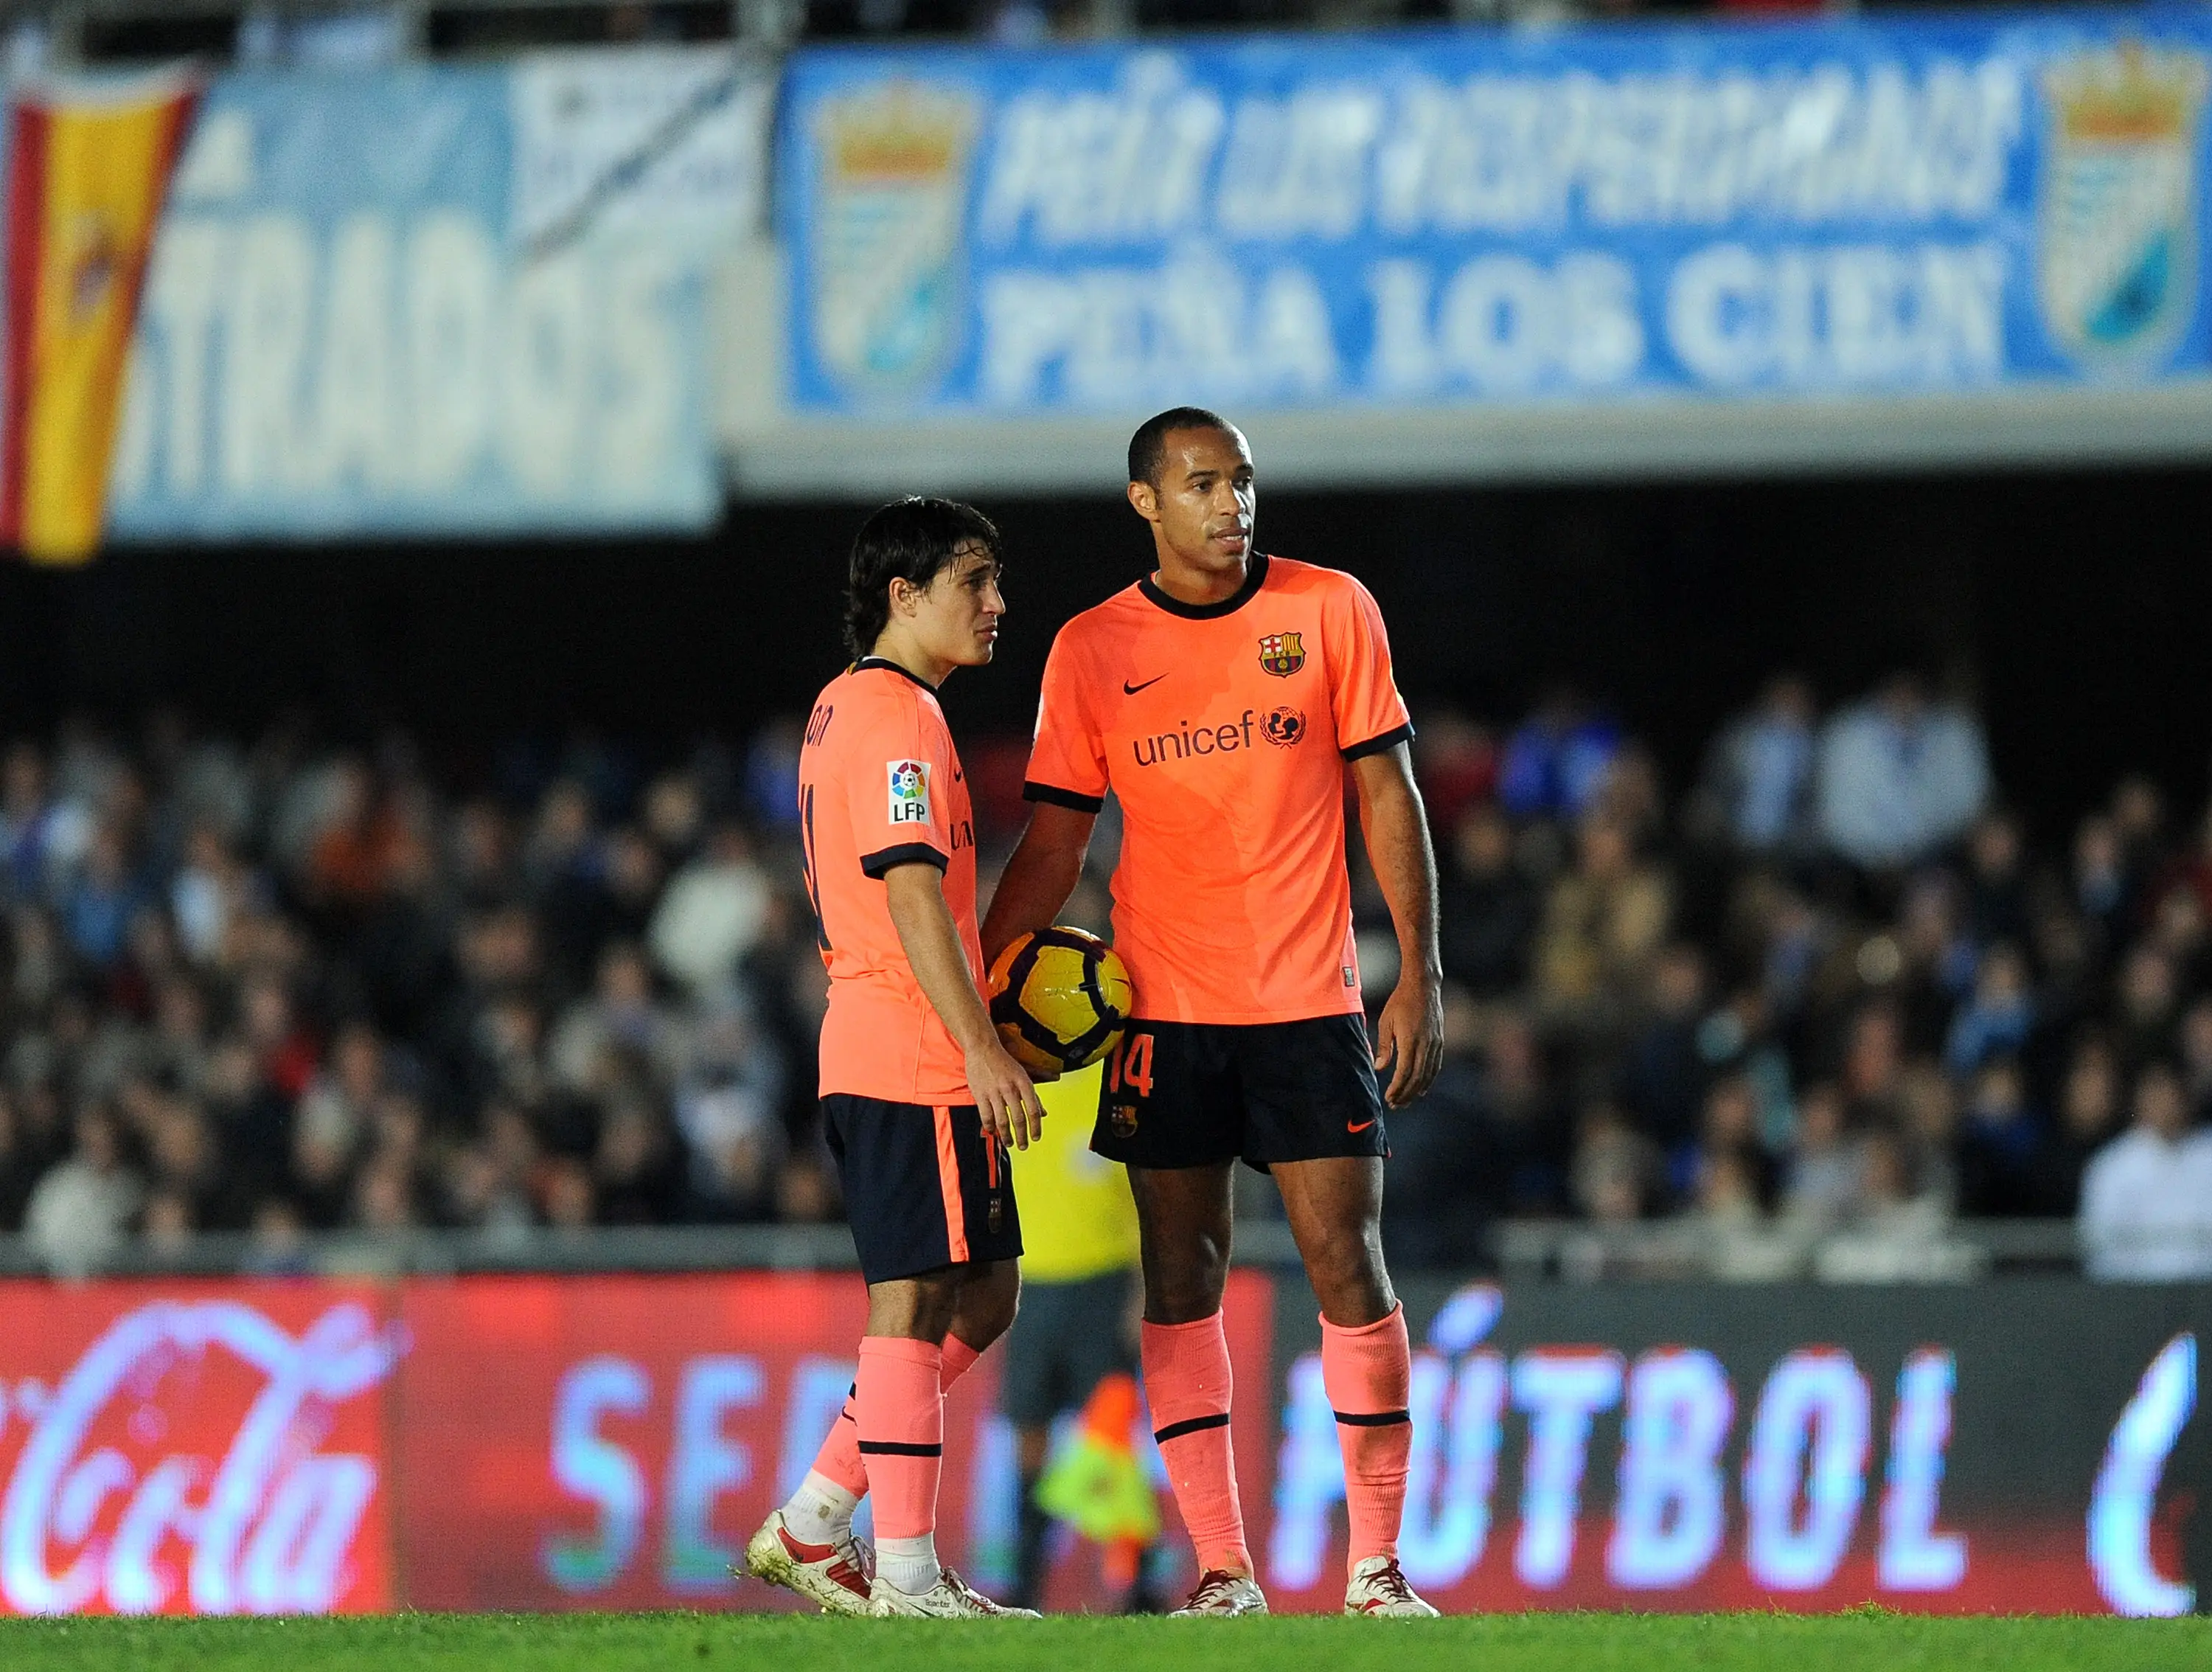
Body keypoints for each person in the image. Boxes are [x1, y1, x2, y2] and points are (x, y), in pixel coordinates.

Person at [981, 409, 1444, 1618]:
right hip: (1162, 1012)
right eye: (1201, 483)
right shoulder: (1093, 646)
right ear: (1146, 501)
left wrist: (1420, 972)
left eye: (1241, 480)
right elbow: (1055, 840)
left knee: (1349, 1261)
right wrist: (982, 983)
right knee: (1181, 1278)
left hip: (1309, 1002)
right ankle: (1223, 1569)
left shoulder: (1331, 608)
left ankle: (1378, 1566)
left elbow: (1387, 791)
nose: (1230, 503)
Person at [742, 498, 1043, 1621]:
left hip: (882, 1039)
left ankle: (818, 1515)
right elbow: (912, 889)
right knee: (913, 1299)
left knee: (984, 1290)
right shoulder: (897, 716)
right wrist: (981, 1044)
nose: (997, 602)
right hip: (909, 1048)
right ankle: (908, 1576)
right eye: (975, 580)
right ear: (903, 595)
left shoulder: (848, 706)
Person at [998, 1060, 1158, 1613]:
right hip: (1029, 1284)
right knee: (1029, 1439)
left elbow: (1146, 1194)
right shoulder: (1006, 1074)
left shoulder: (1112, 1081)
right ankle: (1025, 1584)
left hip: (1103, 1283)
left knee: (1112, 1438)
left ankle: (1137, 1584)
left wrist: (1142, 1290)